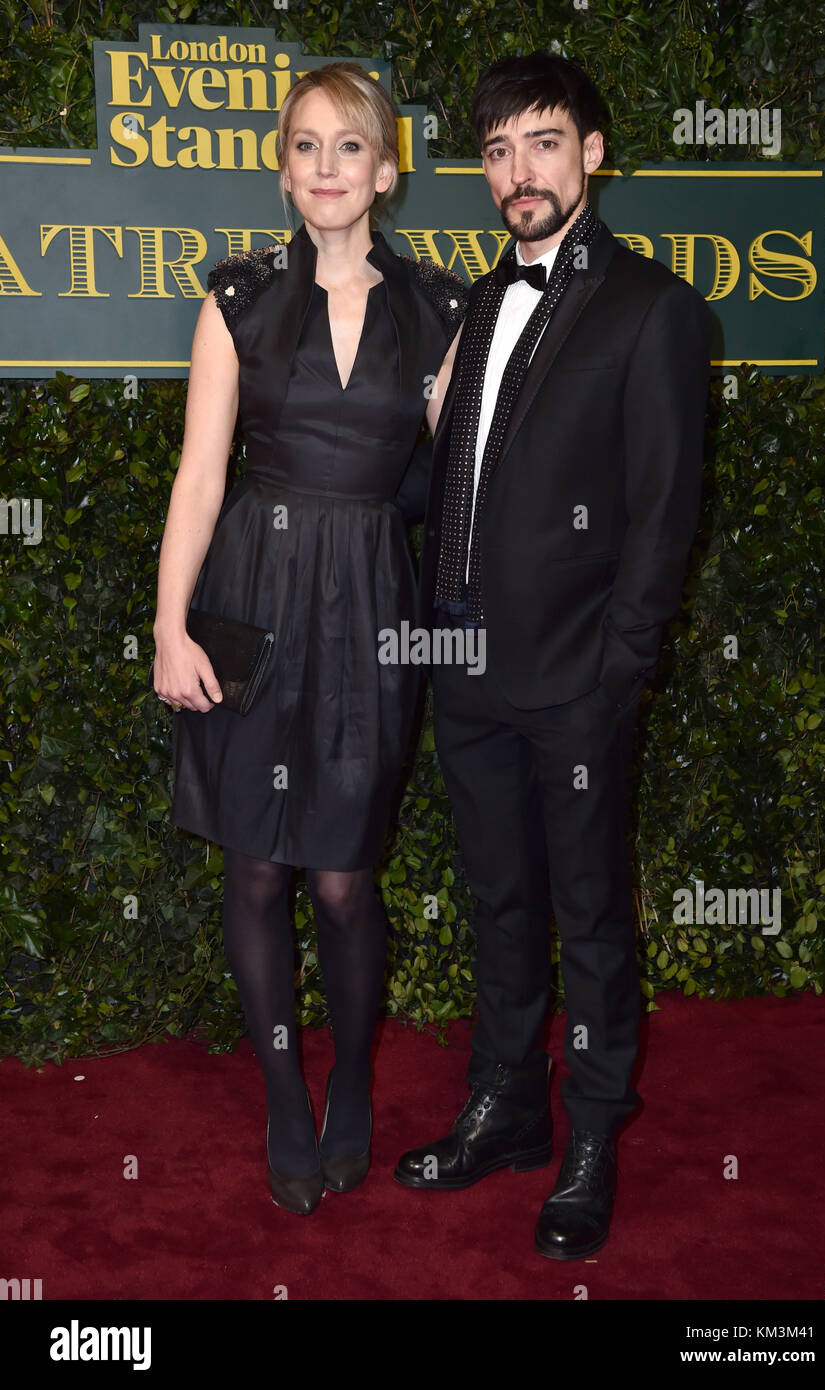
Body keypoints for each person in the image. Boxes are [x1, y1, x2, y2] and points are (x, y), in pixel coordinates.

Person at [394, 51, 712, 1260]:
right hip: (464, 667)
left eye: (540, 142)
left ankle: (588, 1137)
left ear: (591, 154)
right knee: (499, 900)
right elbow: (450, 489)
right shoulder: (474, 305)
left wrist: (616, 671)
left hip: (576, 682)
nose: (515, 171)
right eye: (495, 150)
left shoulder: (656, 309)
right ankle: (505, 1108)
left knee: (586, 915)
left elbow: (662, 514)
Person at [152, 62, 467, 1216]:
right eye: (304, 147)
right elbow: (197, 477)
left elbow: (475, 482)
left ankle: (355, 1087)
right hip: (253, 591)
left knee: (341, 877)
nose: (325, 168)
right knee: (257, 863)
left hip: (372, 611)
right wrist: (167, 625)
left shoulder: (439, 310)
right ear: (281, 169)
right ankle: (286, 1094)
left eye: (349, 147)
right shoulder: (235, 299)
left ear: (386, 171)